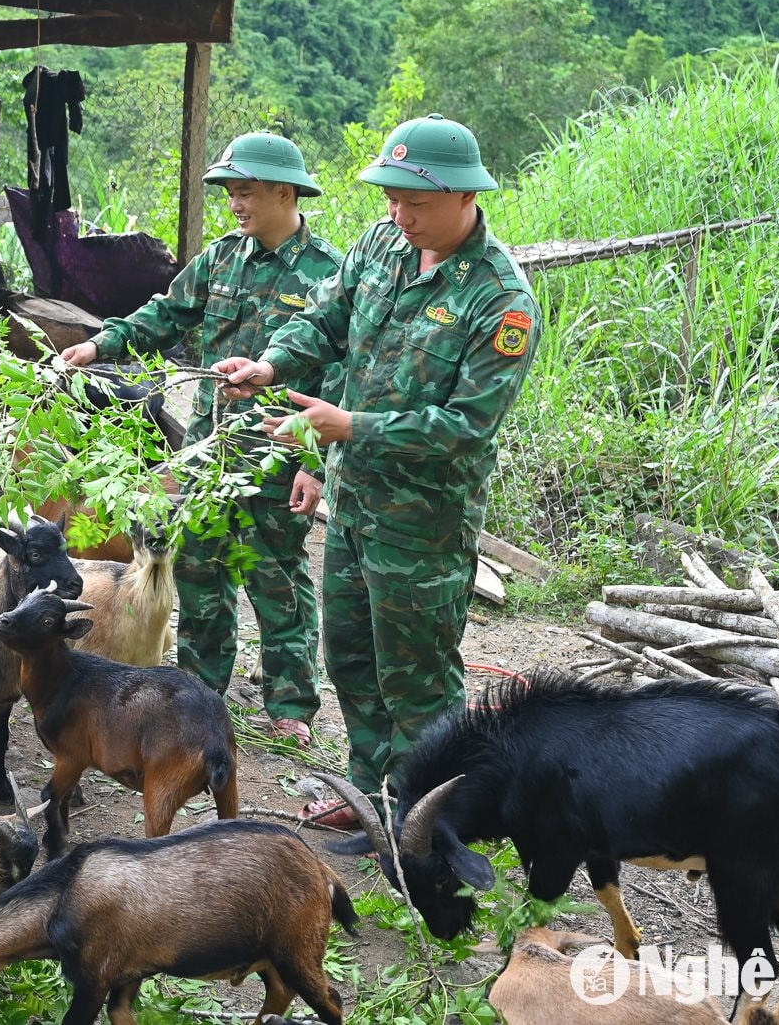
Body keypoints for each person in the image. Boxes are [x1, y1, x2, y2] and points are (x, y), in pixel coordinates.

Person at [213, 115, 540, 825]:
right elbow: (326, 321)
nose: (399, 215)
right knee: (352, 660)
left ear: (463, 197)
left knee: (417, 678)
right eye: (391, 199)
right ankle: (367, 793)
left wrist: (349, 427)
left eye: (414, 203)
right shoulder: (382, 245)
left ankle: (430, 816)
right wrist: (271, 363)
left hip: (423, 522)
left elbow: (465, 427)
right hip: (355, 501)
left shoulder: (500, 300)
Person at [60, 132, 339, 746]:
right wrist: (99, 344)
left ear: (285, 192)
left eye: (247, 192)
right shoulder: (219, 260)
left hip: (278, 451)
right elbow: (164, 315)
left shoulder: (329, 275)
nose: (236, 204)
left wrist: (316, 463)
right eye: (231, 193)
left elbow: (339, 375)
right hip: (210, 450)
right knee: (202, 570)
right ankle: (198, 693)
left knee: (277, 575)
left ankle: (290, 704)